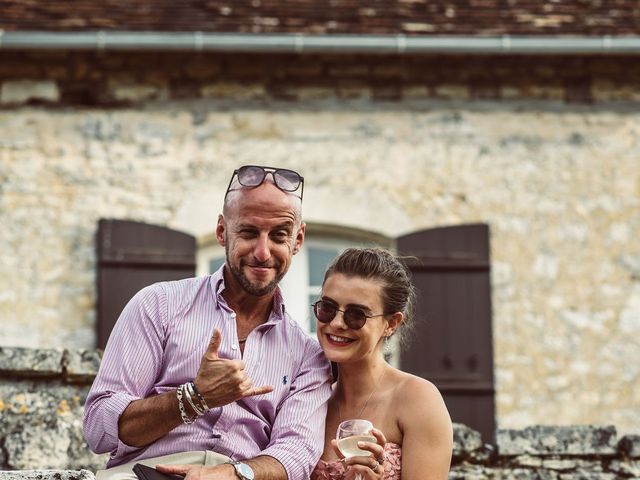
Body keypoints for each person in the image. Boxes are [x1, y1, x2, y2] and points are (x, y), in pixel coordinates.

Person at [83, 165, 332, 480]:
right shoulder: (158, 304)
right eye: (248, 232)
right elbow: (99, 429)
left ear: (298, 240)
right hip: (144, 474)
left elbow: (296, 453)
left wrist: (232, 473)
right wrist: (193, 397)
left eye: (278, 235)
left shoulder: (309, 356)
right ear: (221, 232)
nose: (262, 251)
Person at [309, 248, 453, 480]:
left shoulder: (417, 399)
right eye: (328, 308)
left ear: (392, 323)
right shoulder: (308, 397)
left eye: (356, 315)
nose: (336, 323)